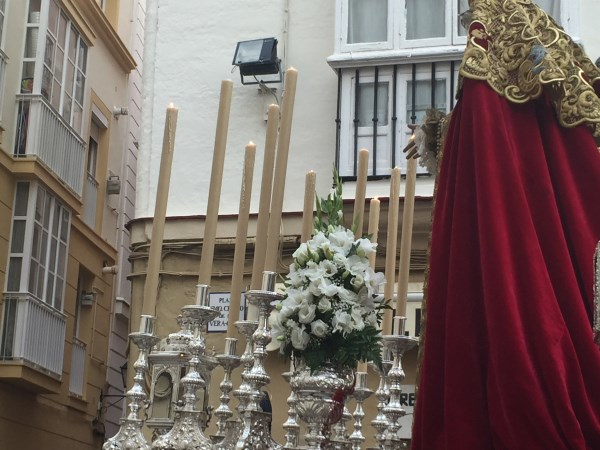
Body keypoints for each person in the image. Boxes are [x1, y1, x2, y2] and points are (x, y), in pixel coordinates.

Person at [410, 0, 600, 448]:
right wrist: (443, 132)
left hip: (537, 224)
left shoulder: (504, 24)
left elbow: (508, 133)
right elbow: (505, 131)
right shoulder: (529, 39)